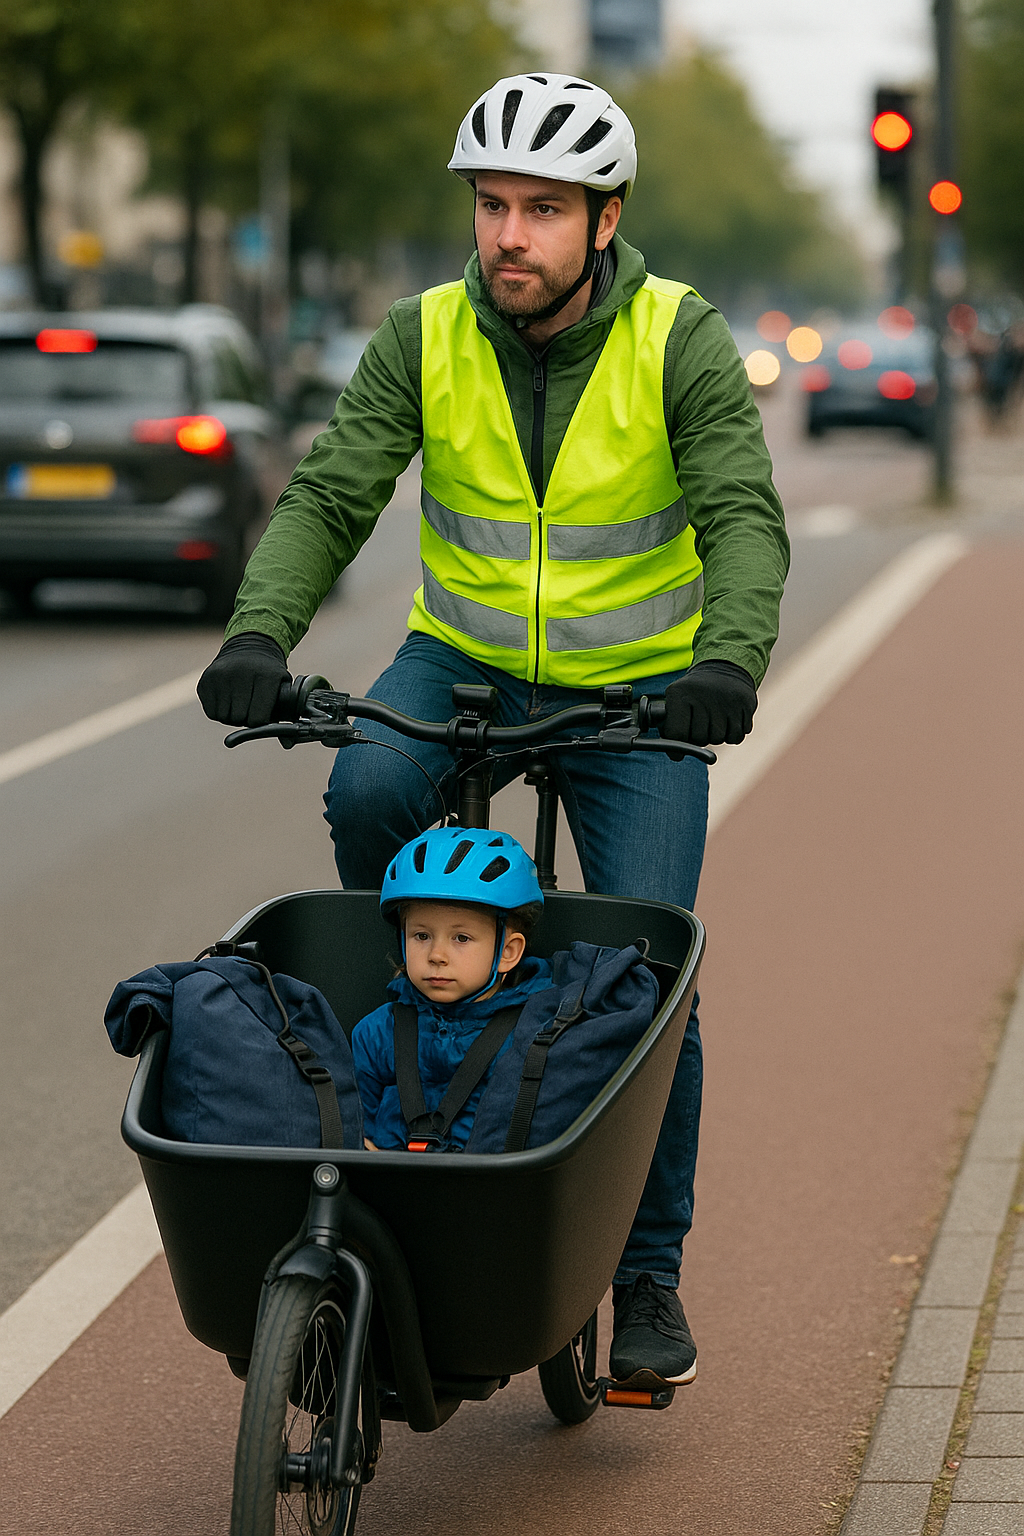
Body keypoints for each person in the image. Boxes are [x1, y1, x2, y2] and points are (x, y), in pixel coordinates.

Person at [197, 71, 789, 1387]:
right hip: (460, 658)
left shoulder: (678, 337)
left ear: (605, 219)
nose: (509, 235)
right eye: (492, 205)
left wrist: (726, 663)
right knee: (368, 797)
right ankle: (409, 1066)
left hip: (636, 688)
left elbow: (742, 513)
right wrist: (256, 636)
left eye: (543, 209)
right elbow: (332, 493)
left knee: (651, 966)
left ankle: (645, 1272)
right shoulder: (423, 333)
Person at [353, 825, 550, 1153]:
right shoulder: (376, 1033)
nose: (436, 955)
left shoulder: (532, 1037)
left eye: (461, 938)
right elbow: (355, 1126)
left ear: (507, 952)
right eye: (421, 936)